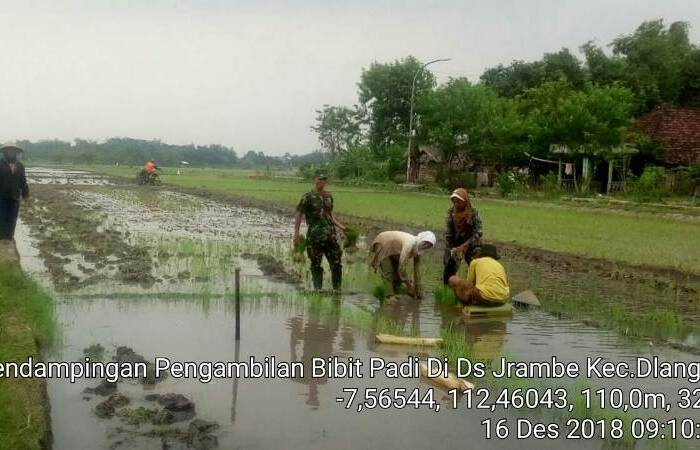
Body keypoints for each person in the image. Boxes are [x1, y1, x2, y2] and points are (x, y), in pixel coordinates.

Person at [293, 172, 346, 291]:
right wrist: (296, 233)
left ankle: (337, 290)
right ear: (314, 180)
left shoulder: (329, 197)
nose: (321, 181)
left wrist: (342, 227)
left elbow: (329, 215)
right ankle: (318, 290)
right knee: (316, 264)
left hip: (330, 236)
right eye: (319, 179)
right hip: (314, 237)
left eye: (323, 179)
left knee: (336, 263)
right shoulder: (307, 197)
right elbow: (299, 214)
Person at [370, 230, 436, 299]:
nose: (426, 246)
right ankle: (390, 297)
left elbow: (416, 270)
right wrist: (409, 285)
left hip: (394, 251)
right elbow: (401, 268)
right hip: (384, 243)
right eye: (425, 243)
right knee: (388, 274)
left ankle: (396, 292)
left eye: (429, 245)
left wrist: (417, 288)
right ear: (422, 239)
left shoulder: (418, 251)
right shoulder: (410, 244)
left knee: (397, 279)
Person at [443, 187, 482, 285]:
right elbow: (449, 233)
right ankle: (448, 287)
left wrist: (466, 245)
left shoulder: (473, 213)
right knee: (449, 265)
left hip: (471, 242)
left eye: (459, 202)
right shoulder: (451, 212)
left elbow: (479, 232)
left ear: (465, 201)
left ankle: (476, 289)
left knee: (475, 265)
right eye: (454, 202)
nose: (456, 204)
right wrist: (453, 249)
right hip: (456, 241)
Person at [0, 144, 29, 240]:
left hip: (15, 196)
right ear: (4, 153)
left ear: (15, 153)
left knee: (12, 217)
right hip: (1, 196)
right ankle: (2, 237)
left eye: (13, 151)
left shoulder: (20, 166)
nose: (10, 153)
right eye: (8, 151)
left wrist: (26, 194)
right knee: (2, 217)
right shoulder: (0, 164)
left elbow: (23, 181)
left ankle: (9, 237)